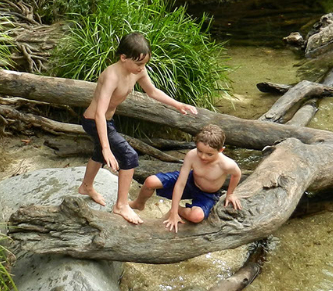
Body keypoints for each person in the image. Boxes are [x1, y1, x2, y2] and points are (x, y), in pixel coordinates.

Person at [78, 32, 198, 225]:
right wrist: (107, 146)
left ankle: (86, 186)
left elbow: (152, 91)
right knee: (129, 156)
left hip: (106, 121)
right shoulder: (111, 76)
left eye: (144, 64)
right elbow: (99, 113)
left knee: (99, 153)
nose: (142, 68)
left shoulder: (137, 70)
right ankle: (121, 205)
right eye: (138, 64)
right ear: (123, 58)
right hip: (94, 120)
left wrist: (178, 105)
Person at [130, 124, 242, 232]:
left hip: (207, 193)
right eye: (200, 151)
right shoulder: (192, 155)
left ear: (221, 150)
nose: (203, 156)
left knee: (197, 216)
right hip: (190, 180)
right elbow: (181, 183)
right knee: (150, 181)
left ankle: (179, 209)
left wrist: (230, 193)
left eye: (209, 154)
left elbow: (237, 174)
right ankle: (139, 204)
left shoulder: (227, 164)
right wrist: (173, 215)